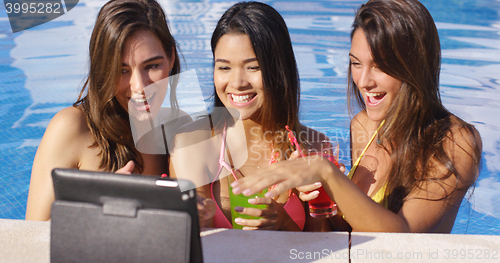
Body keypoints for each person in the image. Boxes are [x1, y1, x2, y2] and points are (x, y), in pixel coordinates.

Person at [231, 0, 482, 233]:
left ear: (415, 66)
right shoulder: (363, 124)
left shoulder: (455, 142)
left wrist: (328, 173)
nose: (363, 82)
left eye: (380, 66)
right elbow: (350, 233)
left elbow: (401, 237)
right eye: (356, 63)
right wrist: (321, 192)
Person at [169, 1, 332, 231]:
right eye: (224, 68)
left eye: (253, 67)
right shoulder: (192, 143)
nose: (237, 83)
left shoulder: (313, 146)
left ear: (279, 70)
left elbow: (324, 251)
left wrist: (284, 224)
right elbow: (196, 243)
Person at [25, 0, 191, 221]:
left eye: (151, 66)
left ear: (171, 57)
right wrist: (99, 207)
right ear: (103, 69)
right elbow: (32, 236)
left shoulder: (178, 128)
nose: (139, 87)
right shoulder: (72, 128)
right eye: (122, 70)